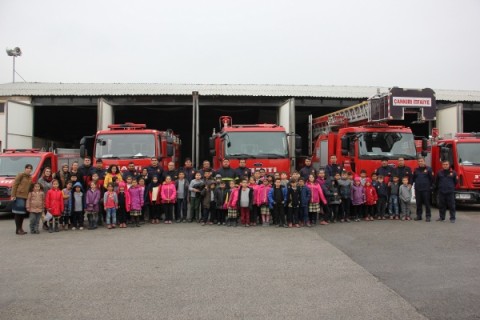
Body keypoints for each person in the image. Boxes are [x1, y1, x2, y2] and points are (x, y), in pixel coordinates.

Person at [11, 164, 33, 235]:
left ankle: (21, 228)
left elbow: (30, 186)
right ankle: (18, 229)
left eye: (30, 168)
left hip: (26, 197)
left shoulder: (30, 177)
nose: (29, 169)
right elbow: (15, 185)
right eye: (27, 168)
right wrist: (13, 195)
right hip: (19, 195)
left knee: (22, 214)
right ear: (25, 168)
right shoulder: (20, 175)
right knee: (18, 213)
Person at [412, 157, 434, 222]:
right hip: (418, 189)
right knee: (418, 203)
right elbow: (413, 179)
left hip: (426, 189)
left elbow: (432, 179)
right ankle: (419, 216)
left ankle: (428, 216)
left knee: (427, 203)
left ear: (424, 162)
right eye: (419, 161)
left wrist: (431, 187)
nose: (420, 162)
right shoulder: (416, 170)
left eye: (421, 161)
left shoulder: (429, 169)